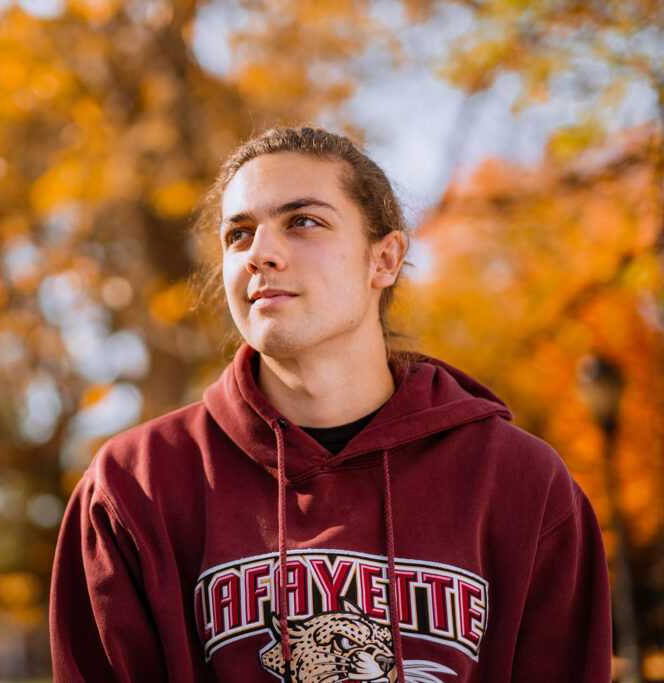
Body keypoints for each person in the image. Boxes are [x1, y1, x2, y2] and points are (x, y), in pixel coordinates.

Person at [49, 126, 611, 682]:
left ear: (385, 259)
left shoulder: (523, 485)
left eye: (304, 222)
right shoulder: (133, 485)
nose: (260, 254)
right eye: (238, 234)